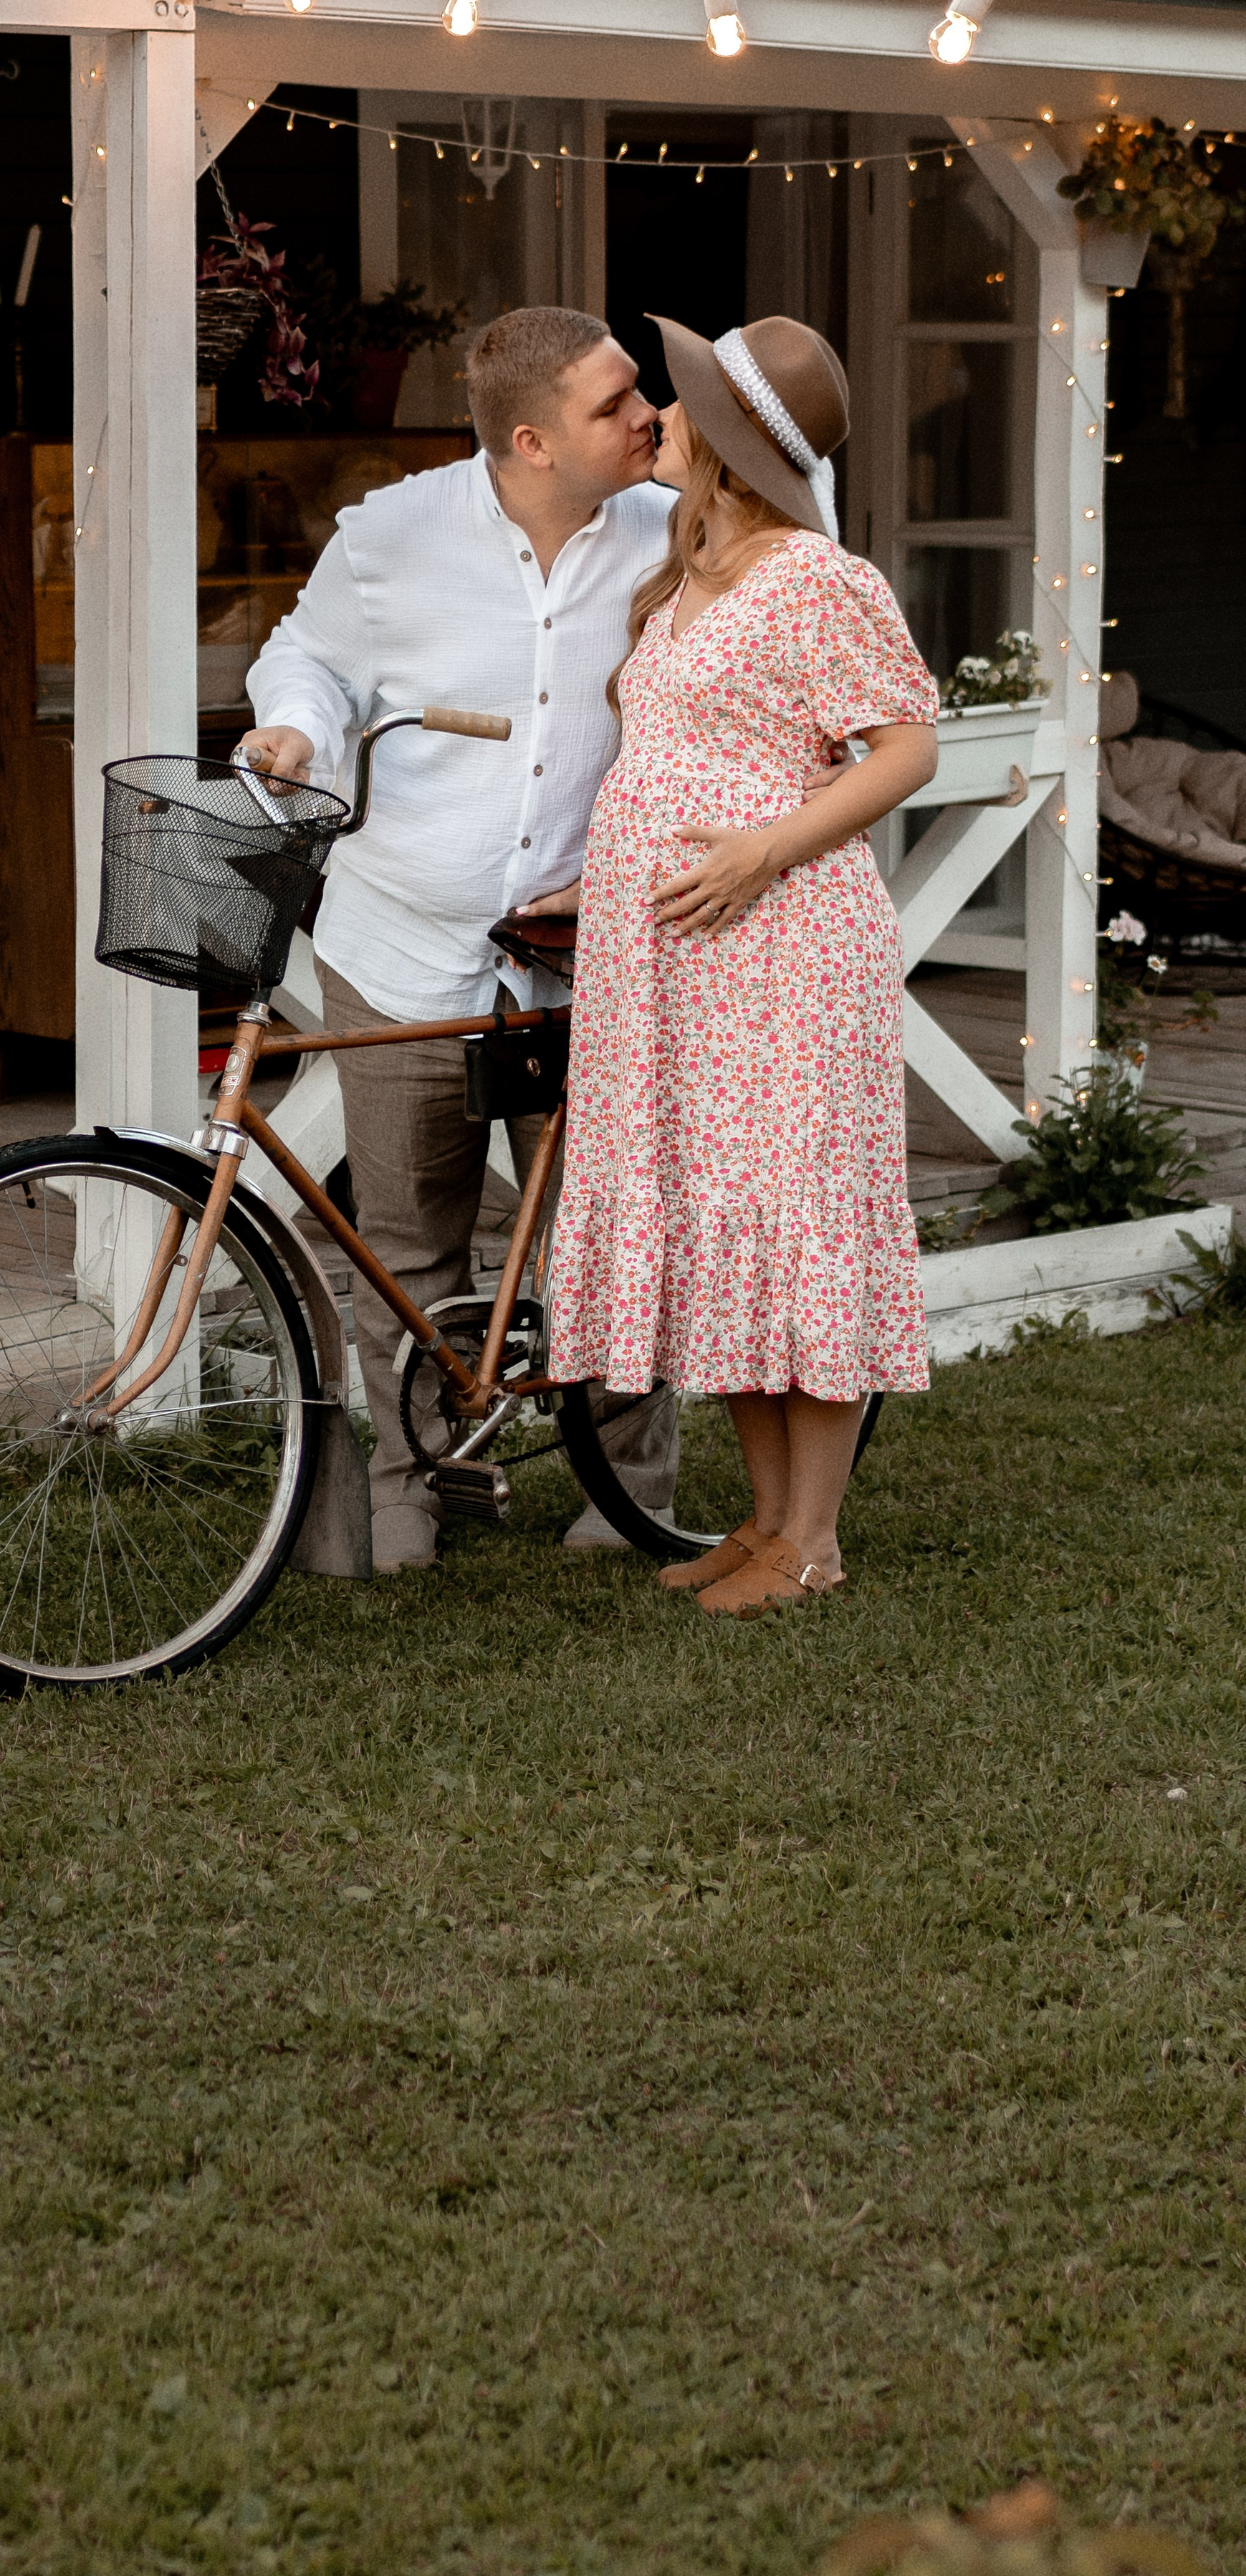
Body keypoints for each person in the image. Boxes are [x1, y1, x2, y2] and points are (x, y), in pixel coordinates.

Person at [243, 307, 680, 1572]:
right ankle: (409, 1495)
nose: (646, 412)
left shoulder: (673, 529)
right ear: (533, 441)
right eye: (616, 403)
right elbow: (309, 658)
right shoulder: (389, 535)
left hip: (583, 957)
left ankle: (625, 1493)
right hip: (399, 949)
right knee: (409, 1245)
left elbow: (799, 505)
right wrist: (296, 732)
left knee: (604, 1229)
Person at [530, 314, 939, 1617]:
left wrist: (766, 846)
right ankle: (764, 1526)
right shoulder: (690, 567)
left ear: (735, 440)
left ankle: (813, 1540)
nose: (660, 416)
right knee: (730, 1233)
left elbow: (907, 749)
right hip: (676, 970)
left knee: (793, 1217)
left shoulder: (816, 577)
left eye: (685, 402)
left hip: (782, 953)